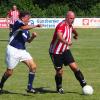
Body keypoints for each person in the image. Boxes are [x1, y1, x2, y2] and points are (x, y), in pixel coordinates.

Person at [0, 11, 41, 94]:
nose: (29, 20)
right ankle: (0, 86)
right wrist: (35, 25)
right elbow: (22, 28)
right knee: (9, 72)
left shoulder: (27, 29)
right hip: (13, 50)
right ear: (22, 18)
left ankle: (29, 87)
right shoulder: (18, 22)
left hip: (22, 51)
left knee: (33, 67)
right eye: (27, 18)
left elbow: (28, 41)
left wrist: (33, 36)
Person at [49, 11, 87, 94]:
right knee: (59, 72)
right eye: (70, 18)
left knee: (75, 67)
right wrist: (66, 42)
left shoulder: (69, 25)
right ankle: (59, 88)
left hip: (65, 50)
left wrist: (76, 34)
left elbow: (72, 29)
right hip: (56, 52)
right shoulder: (61, 25)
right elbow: (59, 36)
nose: (72, 20)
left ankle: (84, 85)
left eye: (73, 18)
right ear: (66, 17)